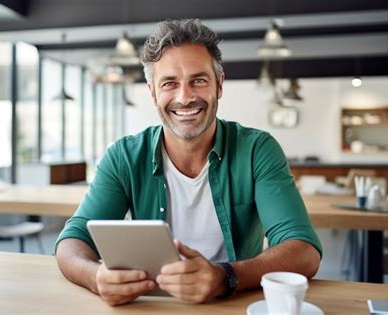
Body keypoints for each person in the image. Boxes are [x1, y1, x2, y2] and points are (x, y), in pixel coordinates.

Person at [55, 18, 322, 306]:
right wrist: (95, 276)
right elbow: (71, 242)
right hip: (150, 305)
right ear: (153, 92)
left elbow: (304, 250)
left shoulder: (257, 149)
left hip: (232, 303)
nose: (185, 97)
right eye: (169, 83)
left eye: (198, 80)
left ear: (219, 85)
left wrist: (225, 277)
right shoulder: (123, 157)